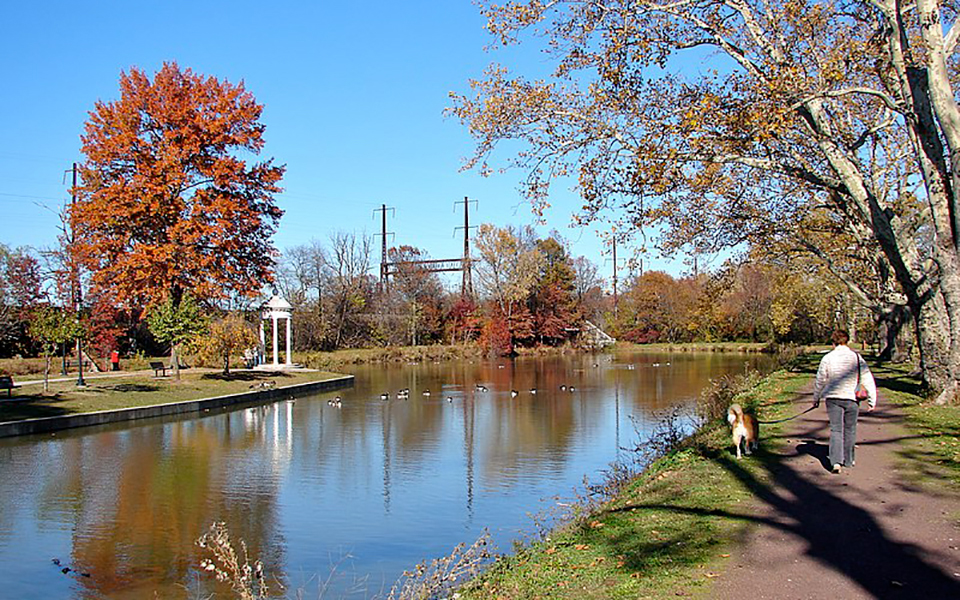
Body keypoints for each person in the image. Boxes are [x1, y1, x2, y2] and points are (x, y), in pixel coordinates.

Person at [813, 330, 877, 473]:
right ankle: (848, 460)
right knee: (850, 429)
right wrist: (872, 400)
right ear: (847, 341)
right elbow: (867, 378)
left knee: (836, 429)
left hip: (833, 397)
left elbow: (820, 380)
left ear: (833, 342)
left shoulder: (827, 358)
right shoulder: (856, 357)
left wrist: (816, 397)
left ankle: (836, 462)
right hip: (852, 398)